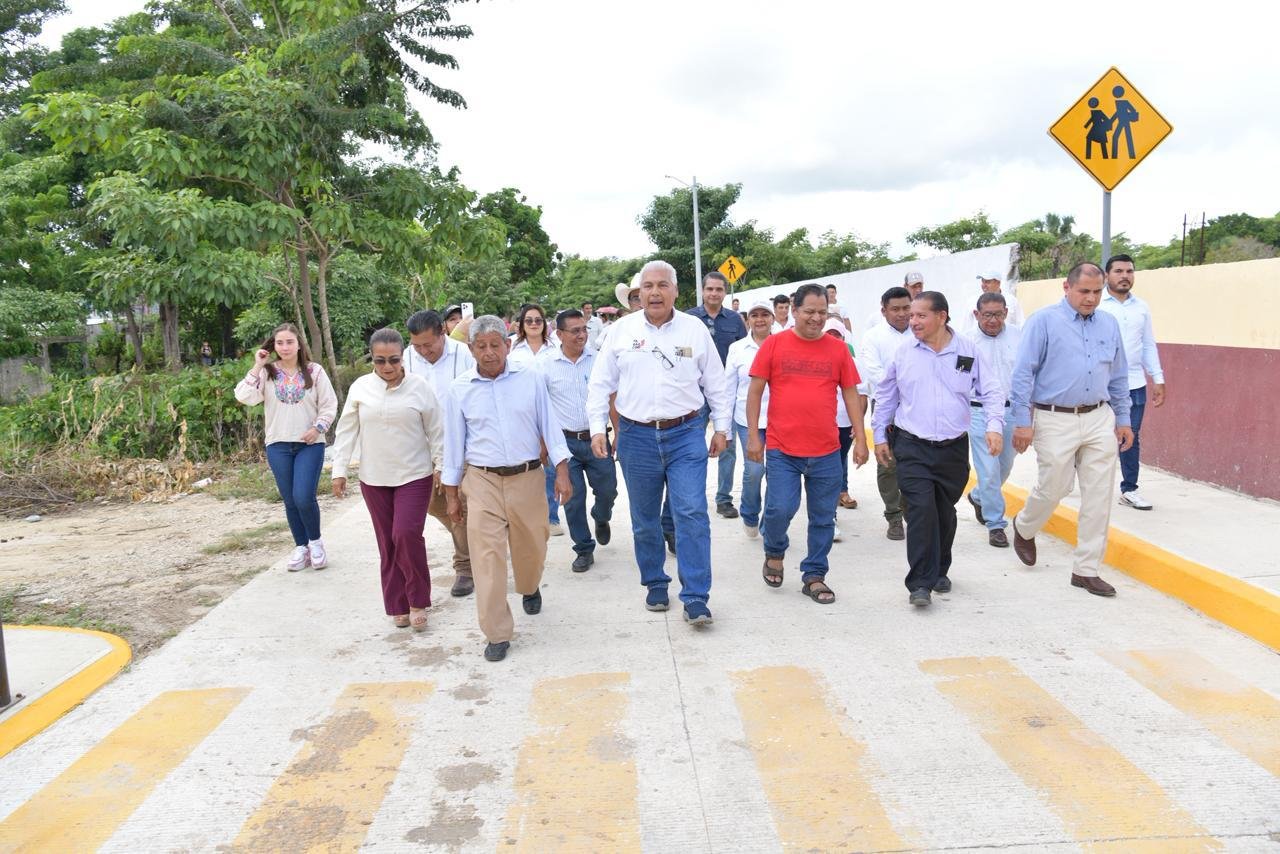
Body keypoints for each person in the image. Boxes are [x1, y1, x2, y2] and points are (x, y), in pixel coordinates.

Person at [587, 259, 729, 625]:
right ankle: (655, 583)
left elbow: (716, 381)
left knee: (692, 513)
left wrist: (722, 428)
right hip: (636, 437)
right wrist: (597, 429)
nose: (654, 292)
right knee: (644, 519)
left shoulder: (695, 329)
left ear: (675, 292)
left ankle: (696, 596)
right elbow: (600, 383)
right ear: (639, 293)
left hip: (686, 434)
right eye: (647, 286)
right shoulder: (620, 331)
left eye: (662, 285)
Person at [441, 315, 572, 662]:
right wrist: (452, 494)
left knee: (532, 545)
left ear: (507, 346)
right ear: (471, 350)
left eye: (494, 345)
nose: (488, 353)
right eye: (480, 346)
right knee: (487, 557)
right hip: (481, 480)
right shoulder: (459, 389)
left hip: (527, 476)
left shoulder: (530, 380)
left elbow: (550, 426)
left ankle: (529, 586)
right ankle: (497, 632)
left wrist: (562, 470)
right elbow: (454, 445)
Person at [1010, 262, 1134, 598]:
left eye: (1097, 292)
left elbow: (1119, 376)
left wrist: (1123, 419)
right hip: (1054, 417)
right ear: (1067, 287)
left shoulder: (1109, 324)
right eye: (1085, 291)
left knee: (1098, 496)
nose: (1091, 299)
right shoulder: (1043, 322)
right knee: (1055, 487)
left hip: (1098, 417)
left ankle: (1086, 569)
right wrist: (1023, 421)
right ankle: (1024, 525)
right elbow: (1023, 374)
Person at [873, 292, 1004, 607]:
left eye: (920, 316)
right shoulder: (904, 352)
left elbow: (991, 389)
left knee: (944, 512)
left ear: (941, 316)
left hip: (952, 449)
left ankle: (940, 568)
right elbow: (887, 394)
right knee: (920, 511)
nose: (912, 321)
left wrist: (994, 426)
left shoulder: (967, 352)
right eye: (911, 316)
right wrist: (879, 434)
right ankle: (919, 582)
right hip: (912, 445)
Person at [747, 284, 868, 605]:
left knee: (823, 518)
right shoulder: (774, 345)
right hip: (782, 449)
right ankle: (774, 551)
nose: (816, 318)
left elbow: (851, 393)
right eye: (810, 311)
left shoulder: (839, 350)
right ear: (794, 311)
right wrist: (752, 436)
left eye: (822, 312)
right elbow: (755, 391)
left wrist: (861, 437)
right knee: (779, 508)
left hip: (827, 451)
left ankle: (814, 574)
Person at [330, 328, 444, 631]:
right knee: (387, 542)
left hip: (414, 475)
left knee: (405, 534)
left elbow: (437, 430)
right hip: (374, 478)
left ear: (403, 356)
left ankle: (418, 599)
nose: (387, 367)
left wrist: (442, 466)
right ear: (372, 360)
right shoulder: (360, 388)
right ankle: (397, 604)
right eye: (380, 361)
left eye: (393, 360)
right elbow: (346, 431)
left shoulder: (419, 387)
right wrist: (339, 470)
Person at [235, 323, 338, 572]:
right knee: (290, 499)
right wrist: (258, 364)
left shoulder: (314, 371)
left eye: (289, 342)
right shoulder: (268, 373)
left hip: (309, 444)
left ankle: (315, 543)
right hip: (278, 444)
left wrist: (318, 429)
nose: (284, 347)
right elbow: (244, 396)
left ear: (299, 344)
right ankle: (300, 546)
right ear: (274, 346)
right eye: (279, 343)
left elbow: (329, 404)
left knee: (304, 496)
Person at [537, 309, 618, 573]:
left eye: (584, 329)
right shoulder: (545, 365)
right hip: (564, 443)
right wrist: (543, 445)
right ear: (559, 334)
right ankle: (583, 548)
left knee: (608, 490)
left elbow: (612, 397)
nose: (582, 335)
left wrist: (618, 432)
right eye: (575, 331)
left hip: (597, 439)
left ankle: (601, 516)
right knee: (571, 498)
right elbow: (539, 408)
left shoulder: (599, 360)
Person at [406, 309, 478, 597]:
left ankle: (465, 567)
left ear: (442, 334)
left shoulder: (465, 355)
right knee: (433, 504)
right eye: (417, 346)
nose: (424, 352)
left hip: (463, 445)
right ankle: (475, 539)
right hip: (421, 447)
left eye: (429, 345)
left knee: (459, 503)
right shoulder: (407, 359)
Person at [1098, 254, 1166, 511]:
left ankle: (1129, 489)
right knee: (1094, 437)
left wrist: (1157, 378)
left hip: (1135, 384)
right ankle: (1079, 478)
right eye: (1119, 271)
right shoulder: (1097, 305)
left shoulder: (1142, 307)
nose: (1125, 276)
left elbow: (1148, 344)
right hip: (1100, 387)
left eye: (1129, 271)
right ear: (1107, 276)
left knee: (1130, 437)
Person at [961, 293, 1022, 547]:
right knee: (987, 470)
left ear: (1006, 313)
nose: (993, 320)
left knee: (1004, 466)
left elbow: (1028, 373)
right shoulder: (965, 343)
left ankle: (978, 497)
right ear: (977, 315)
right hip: (979, 412)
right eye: (987, 315)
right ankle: (996, 524)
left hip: (1011, 411)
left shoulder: (1019, 336)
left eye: (998, 314)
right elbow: (960, 380)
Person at [687, 271, 747, 519]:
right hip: (694, 394)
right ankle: (693, 496)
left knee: (728, 447)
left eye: (718, 289)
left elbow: (744, 351)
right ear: (702, 291)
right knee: (691, 447)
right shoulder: (688, 319)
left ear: (724, 292)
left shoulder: (734, 320)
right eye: (709, 289)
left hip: (726, 394)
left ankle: (724, 499)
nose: (714, 293)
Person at [859, 286, 914, 540]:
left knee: (915, 462)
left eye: (906, 308)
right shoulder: (873, 337)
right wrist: (910, 386)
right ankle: (893, 515)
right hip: (887, 409)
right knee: (889, 464)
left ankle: (912, 510)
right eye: (896, 309)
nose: (902, 314)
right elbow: (876, 375)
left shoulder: (922, 331)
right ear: (884, 311)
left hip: (920, 410)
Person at [724, 300, 773, 538]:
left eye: (765, 314)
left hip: (780, 421)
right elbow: (727, 388)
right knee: (754, 470)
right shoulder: (737, 349)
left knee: (777, 474)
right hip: (747, 420)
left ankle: (769, 522)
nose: (760, 319)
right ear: (748, 320)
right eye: (755, 315)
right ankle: (750, 512)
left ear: (772, 318)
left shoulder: (782, 344)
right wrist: (723, 427)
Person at [823, 320, 863, 531]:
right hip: (821, 424)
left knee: (837, 464)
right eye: (828, 334)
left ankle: (831, 512)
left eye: (836, 335)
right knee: (828, 470)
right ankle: (829, 516)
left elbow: (860, 395)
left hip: (844, 424)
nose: (832, 339)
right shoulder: (816, 359)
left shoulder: (852, 362)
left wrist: (858, 426)